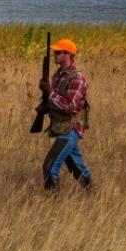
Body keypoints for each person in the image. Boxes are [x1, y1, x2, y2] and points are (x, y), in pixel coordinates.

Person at [38, 39, 92, 191]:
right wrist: (45, 103)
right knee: (77, 167)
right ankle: (93, 194)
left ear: (69, 54)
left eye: (58, 52)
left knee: (49, 166)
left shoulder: (77, 78)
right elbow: (56, 102)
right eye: (54, 51)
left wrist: (50, 93)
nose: (54, 54)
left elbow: (71, 106)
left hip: (71, 128)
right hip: (61, 126)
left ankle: (52, 204)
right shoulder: (57, 76)